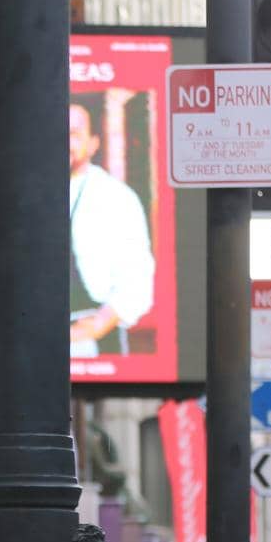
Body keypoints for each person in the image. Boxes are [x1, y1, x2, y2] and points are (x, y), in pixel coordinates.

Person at [68, 102, 155, 358]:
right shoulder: (25, 195)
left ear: (93, 143)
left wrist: (98, 325)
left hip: (95, 345)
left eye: (74, 134)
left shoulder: (115, 196)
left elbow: (137, 276)